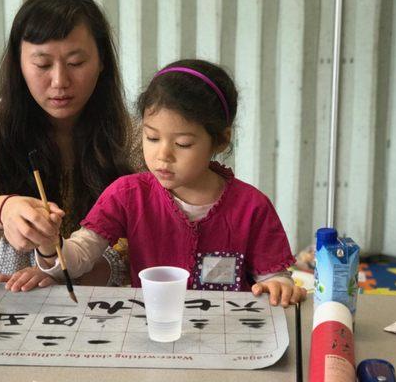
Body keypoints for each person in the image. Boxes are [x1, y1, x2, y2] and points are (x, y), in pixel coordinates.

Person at [31, 59, 307, 307]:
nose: (163, 155)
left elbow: (275, 277)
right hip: (156, 331)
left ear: (220, 140)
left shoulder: (251, 207)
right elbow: (77, 258)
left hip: (226, 337)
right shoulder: (128, 194)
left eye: (183, 143)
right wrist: (48, 243)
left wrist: (279, 287)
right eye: (152, 138)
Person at [0, 0, 143, 292]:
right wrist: (2, 211)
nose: (59, 81)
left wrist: (59, 273)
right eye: (42, 64)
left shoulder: (129, 137)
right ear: (20, 64)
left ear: (102, 61)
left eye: (76, 63)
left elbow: (139, 244)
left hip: (89, 301)